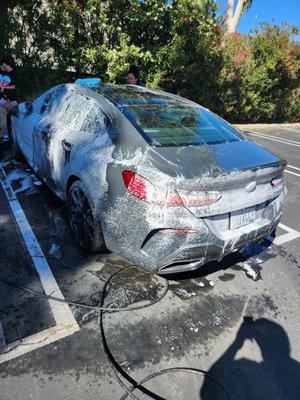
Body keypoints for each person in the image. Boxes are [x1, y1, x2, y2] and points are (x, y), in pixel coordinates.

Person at [0, 56, 18, 140]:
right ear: (4, 64)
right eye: (9, 66)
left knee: (16, 117)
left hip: (12, 99)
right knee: (3, 118)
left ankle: (16, 135)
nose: (10, 68)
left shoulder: (11, 72)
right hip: (1, 100)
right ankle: (6, 136)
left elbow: (14, 86)